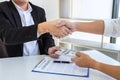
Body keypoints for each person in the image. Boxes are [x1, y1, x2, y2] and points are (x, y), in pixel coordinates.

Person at [0, 0, 71, 57]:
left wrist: (49, 48)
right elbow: (7, 36)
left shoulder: (39, 11)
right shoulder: (2, 9)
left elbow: (46, 36)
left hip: (38, 60)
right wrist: (43, 27)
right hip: (12, 64)